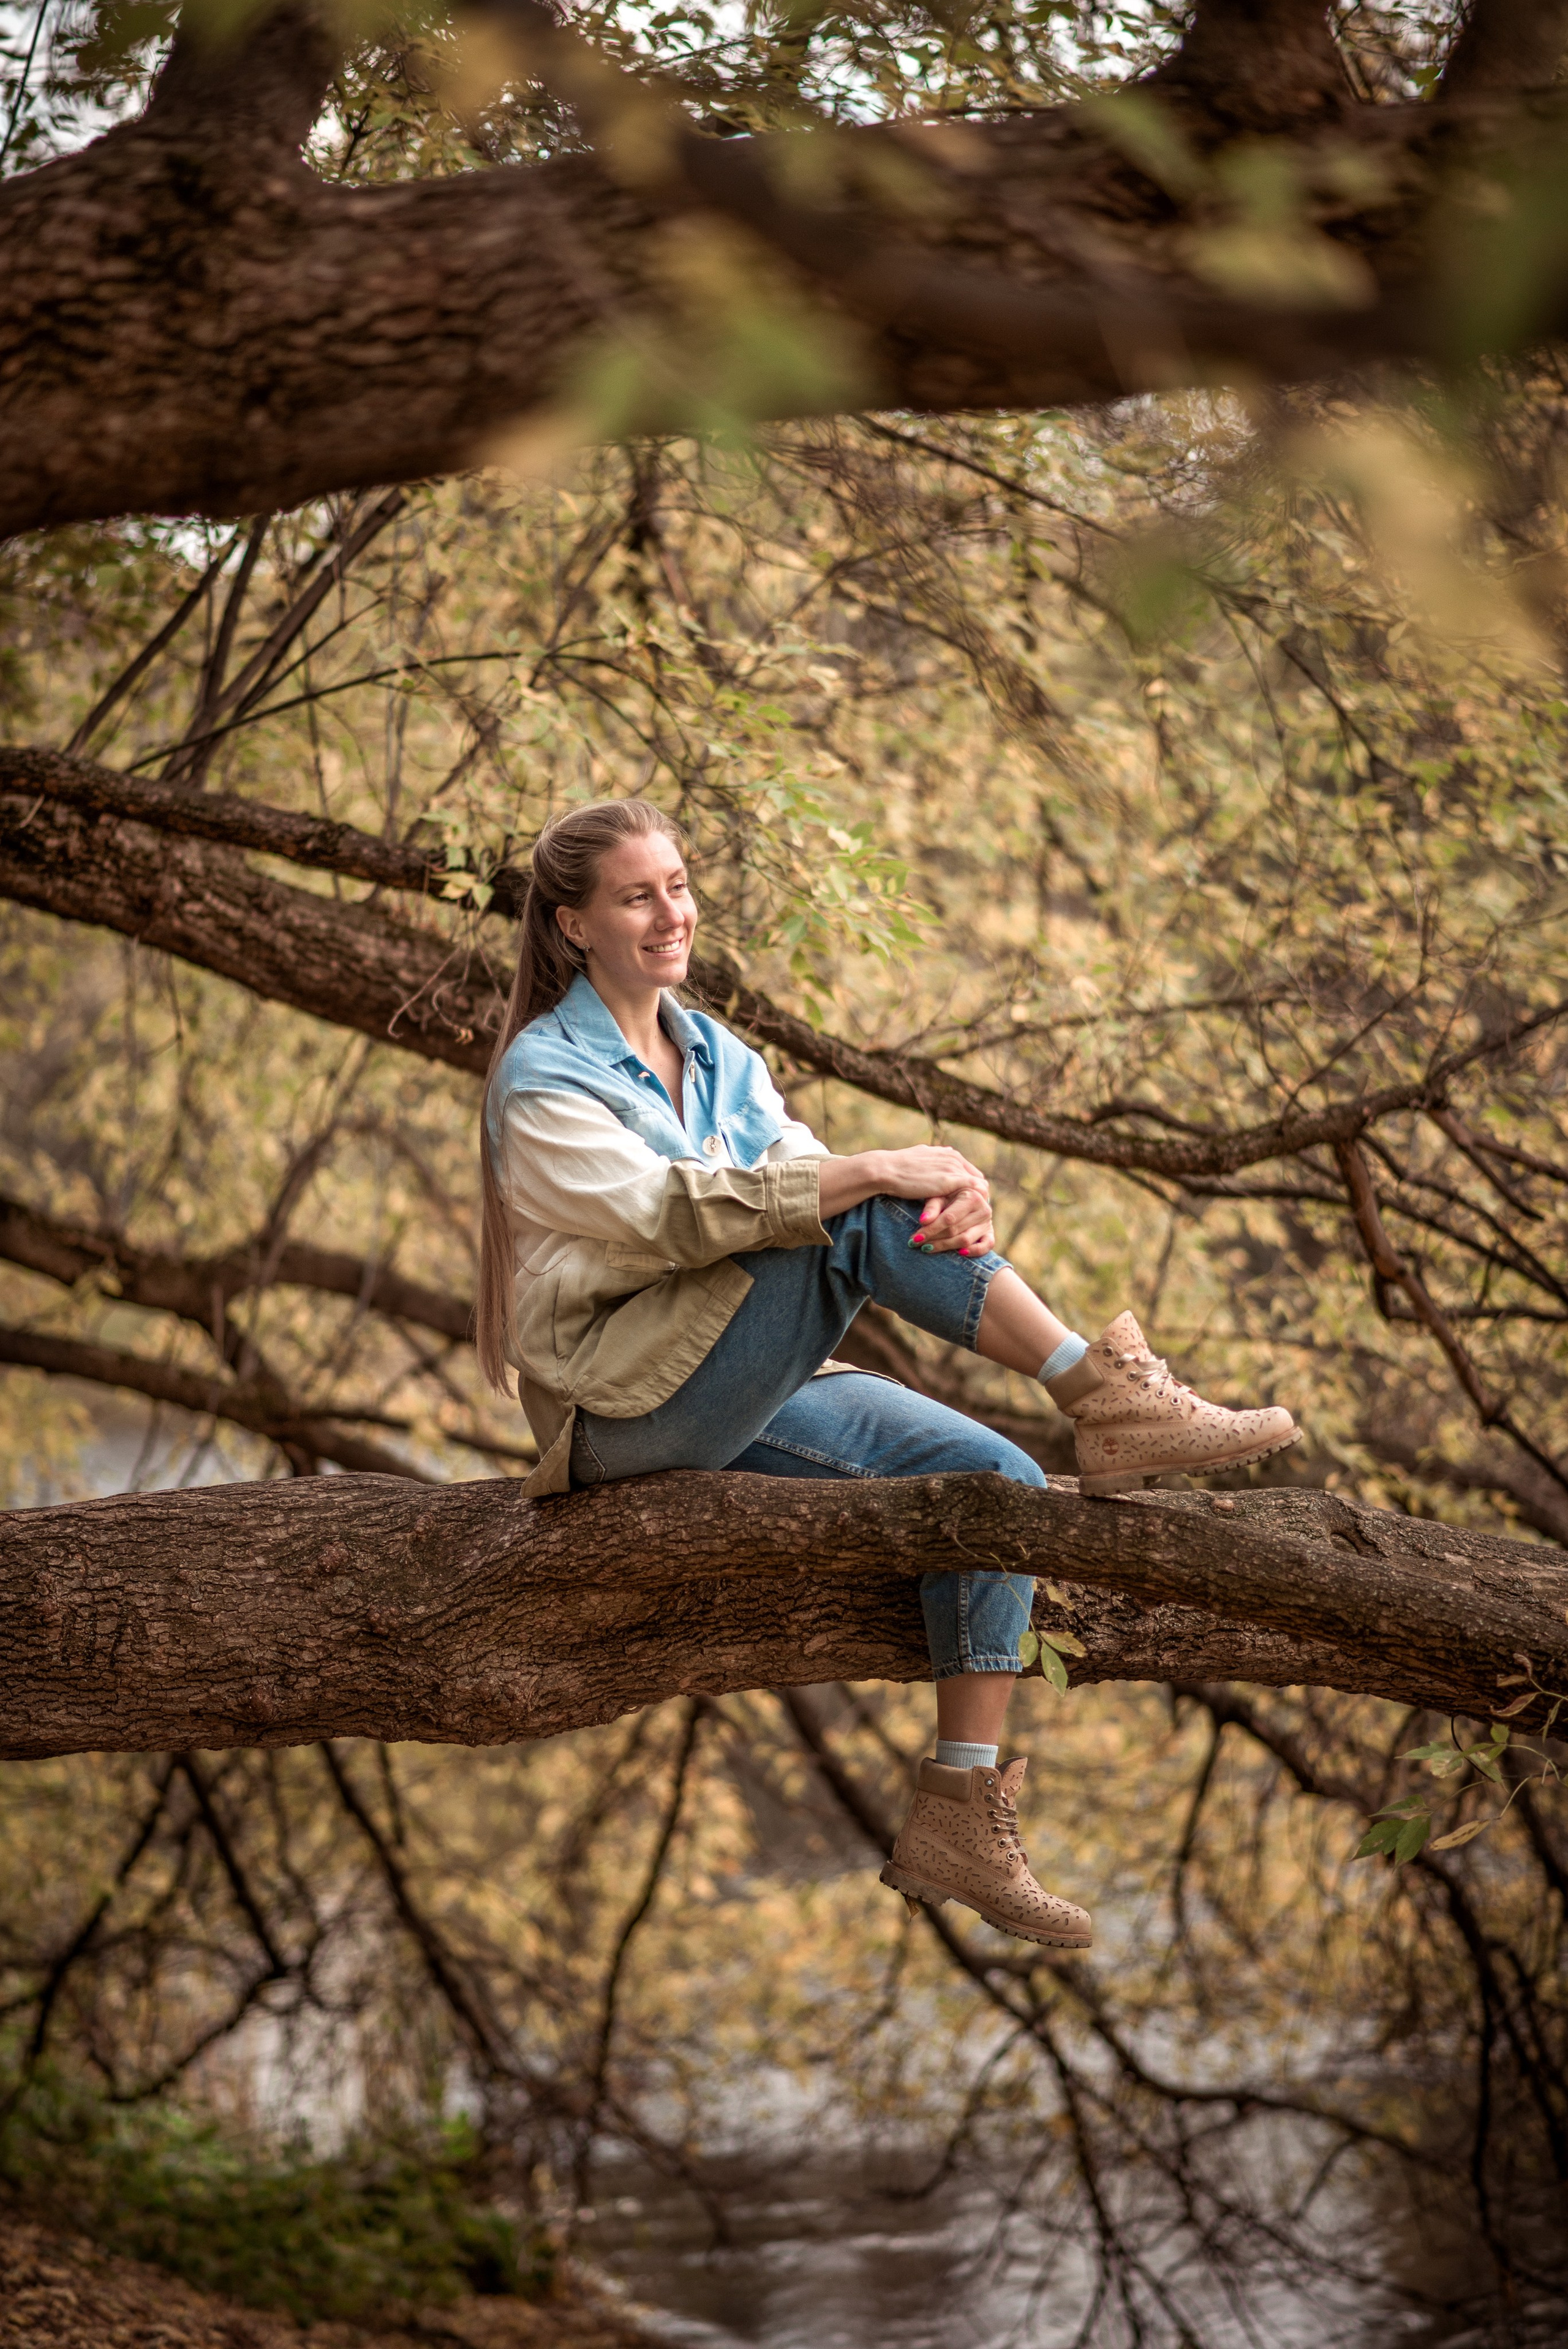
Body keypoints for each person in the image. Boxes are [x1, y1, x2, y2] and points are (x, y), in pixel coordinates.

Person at [477, 799, 1299, 1950]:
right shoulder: (543, 1076)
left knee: (994, 1485)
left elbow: (814, 1175)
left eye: (677, 883)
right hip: (622, 1417)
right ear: (573, 925)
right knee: (854, 1216)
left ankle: (960, 1811)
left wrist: (939, 1195)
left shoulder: (717, 1054)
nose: (673, 912)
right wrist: (880, 1177)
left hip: (728, 1385)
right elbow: (667, 1215)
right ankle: (1102, 1396)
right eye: (636, 895)